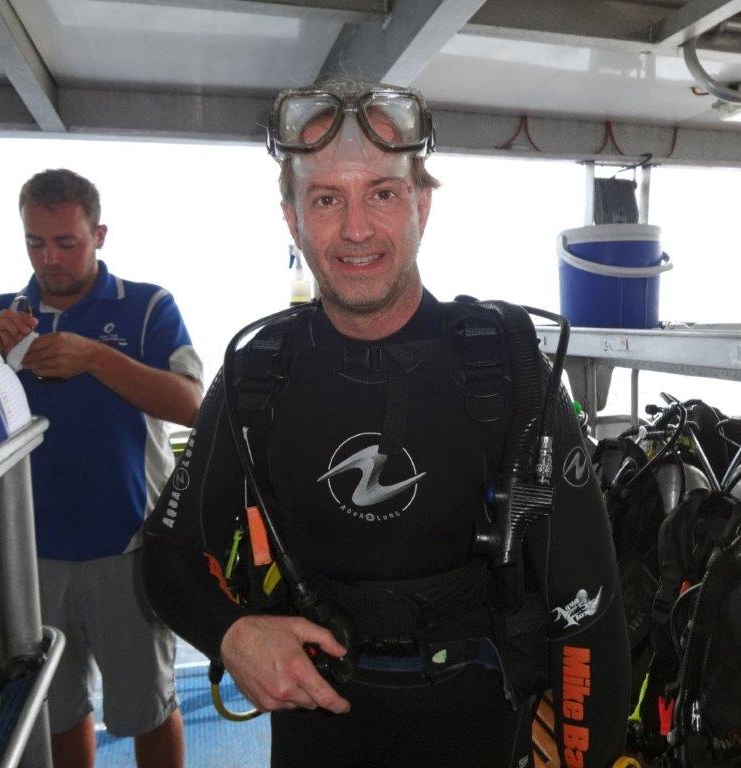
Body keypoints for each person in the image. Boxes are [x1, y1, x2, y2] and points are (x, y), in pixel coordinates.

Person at [142, 83, 629, 767]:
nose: (357, 229)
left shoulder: (507, 364)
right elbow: (165, 556)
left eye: (382, 193)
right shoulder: (259, 374)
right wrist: (231, 634)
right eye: (325, 199)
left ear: (421, 205)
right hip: (318, 726)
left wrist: (589, 754)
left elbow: (588, 600)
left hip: (481, 728)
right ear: (292, 219)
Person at [0, 168, 201, 768]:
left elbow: (193, 406)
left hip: (128, 542)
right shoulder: (4, 317)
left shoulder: (148, 305)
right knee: (56, 706)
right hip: (32, 552)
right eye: (35, 242)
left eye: (67, 242)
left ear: (99, 235)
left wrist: (95, 358)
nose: (50, 258)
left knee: (147, 706)